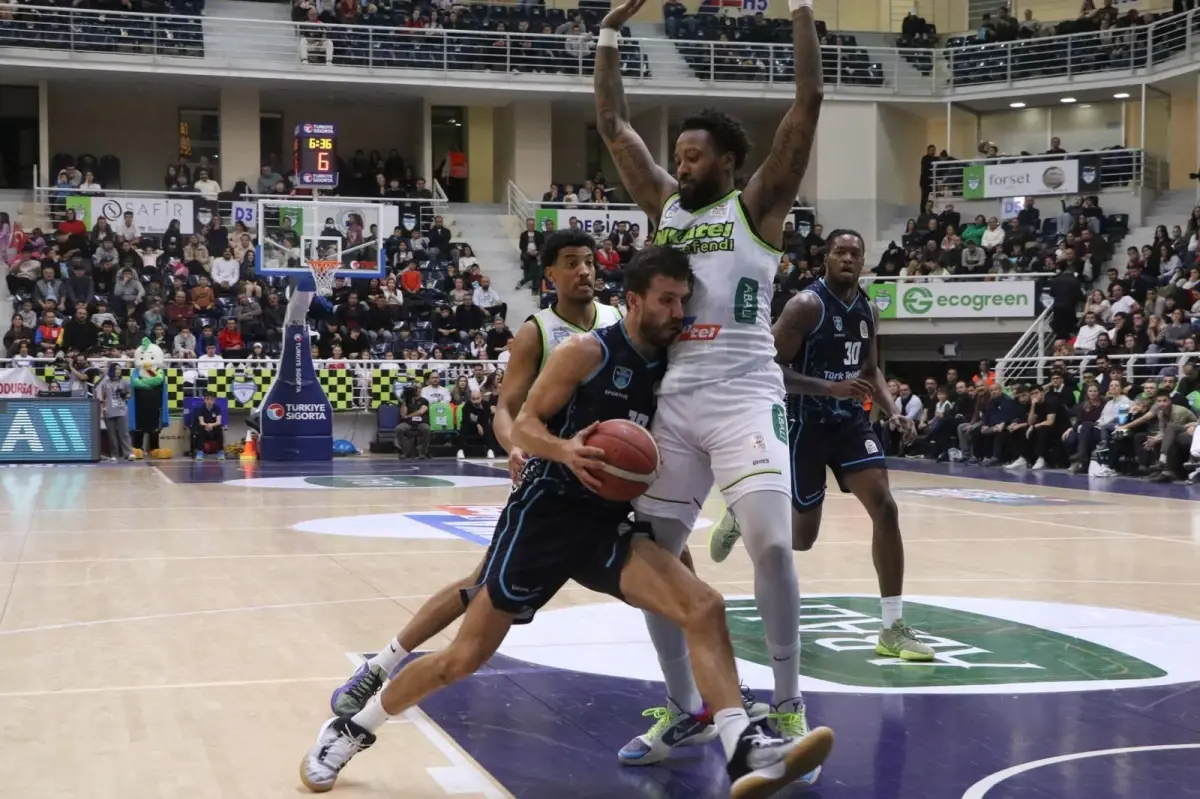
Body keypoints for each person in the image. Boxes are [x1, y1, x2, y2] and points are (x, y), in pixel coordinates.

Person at [300, 248, 835, 797]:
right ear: (633, 300)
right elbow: (523, 424)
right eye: (667, 301)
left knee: (704, 606)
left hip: (605, 525)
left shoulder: (676, 360)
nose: (679, 312)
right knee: (461, 659)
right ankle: (353, 728)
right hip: (544, 518)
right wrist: (565, 450)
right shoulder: (586, 351)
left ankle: (741, 745)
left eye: (683, 301)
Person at [593, 0, 823, 770]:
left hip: (745, 394)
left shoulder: (756, 205)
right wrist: (608, 34)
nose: (681, 165)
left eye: (694, 156)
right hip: (675, 401)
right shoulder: (665, 208)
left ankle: (786, 704)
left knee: (770, 542)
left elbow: (807, 104)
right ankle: (689, 706)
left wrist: (801, 12)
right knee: (651, 558)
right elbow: (613, 126)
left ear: (727, 161)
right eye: (678, 156)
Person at [325, 230, 629, 717]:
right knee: (478, 587)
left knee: (671, 576)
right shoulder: (537, 331)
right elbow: (505, 409)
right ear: (549, 274)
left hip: (608, 482)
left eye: (590, 261)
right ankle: (380, 667)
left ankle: (699, 698)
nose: (584, 271)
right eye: (571, 262)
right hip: (551, 484)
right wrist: (515, 446)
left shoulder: (619, 321)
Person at [709, 231, 933, 663]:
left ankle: (892, 626)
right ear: (825, 259)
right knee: (802, 538)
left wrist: (893, 411)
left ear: (863, 262)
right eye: (840, 252)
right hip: (804, 424)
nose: (848, 258)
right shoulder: (805, 306)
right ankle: (741, 514)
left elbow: (870, 370)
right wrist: (828, 388)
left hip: (850, 423)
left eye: (855, 253)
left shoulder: (868, 309)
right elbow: (767, 367)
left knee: (886, 507)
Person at [191, 392, 226, 460]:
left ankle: (220, 451)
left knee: (219, 428)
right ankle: (200, 452)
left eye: (211, 399)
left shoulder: (217, 408)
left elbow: (218, 422)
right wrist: (208, 425)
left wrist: (211, 425)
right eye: (207, 399)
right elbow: (201, 422)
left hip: (214, 426)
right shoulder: (200, 408)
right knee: (200, 428)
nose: (209, 401)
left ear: (214, 400)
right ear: (204, 400)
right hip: (204, 426)